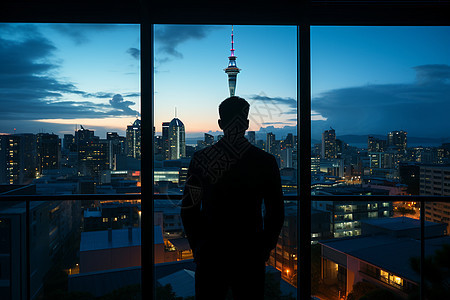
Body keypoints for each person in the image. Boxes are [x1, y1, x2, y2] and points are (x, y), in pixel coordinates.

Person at [181, 96, 284, 299]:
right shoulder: (265, 161)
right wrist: (264, 247)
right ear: (246, 124)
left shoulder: (201, 159)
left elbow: (189, 209)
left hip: (211, 252)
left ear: (220, 124)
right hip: (249, 253)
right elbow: (276, 212)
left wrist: (198, 247)